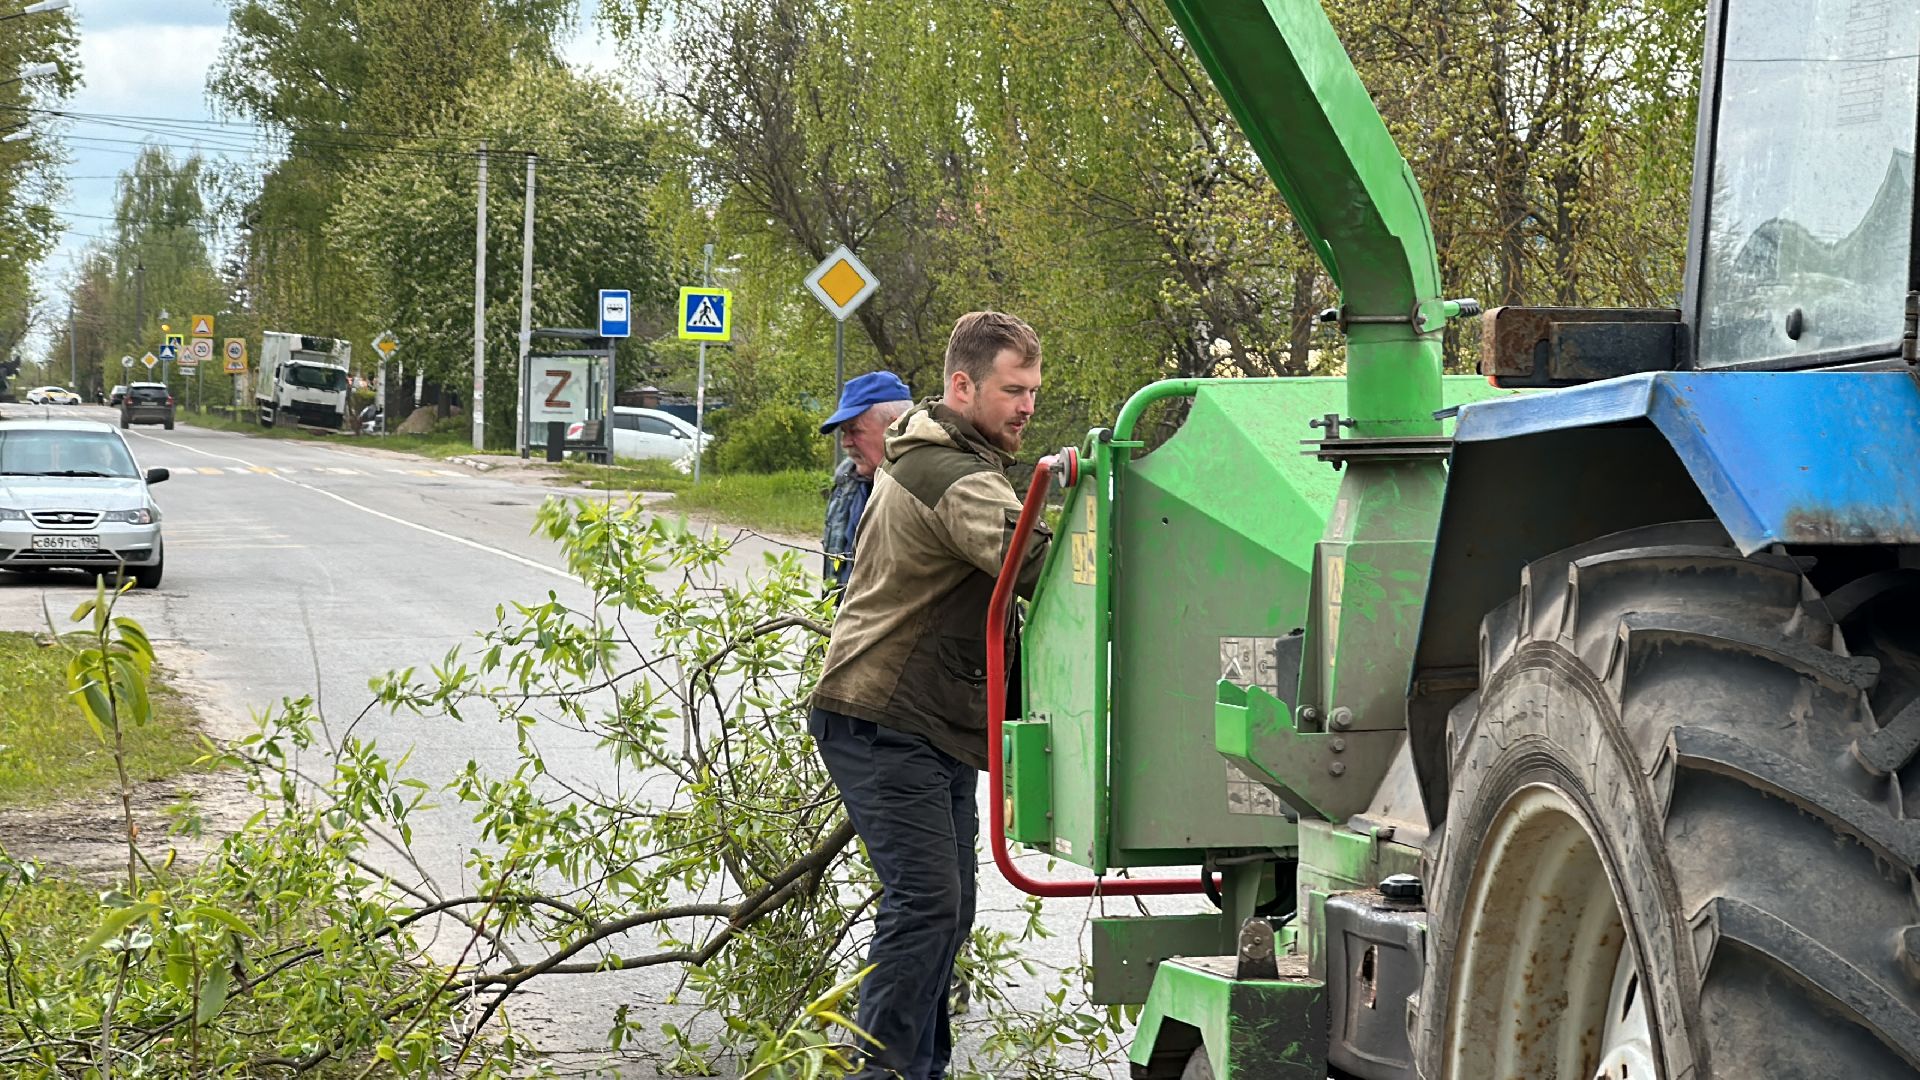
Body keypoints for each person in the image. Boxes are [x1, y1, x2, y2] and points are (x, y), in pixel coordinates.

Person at [810, 311, 1051, 1079]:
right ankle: (881, 1072)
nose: (1026, 407)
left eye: (1034, 392)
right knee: (926, 905)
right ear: (962, 385)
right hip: (883, 715)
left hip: (925, 722)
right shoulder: (949, 474)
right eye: (1013, 390)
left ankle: (921, 1069)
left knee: (950, 910)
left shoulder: (948, 455)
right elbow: (1035, 562)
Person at [819, 371, 914, 589]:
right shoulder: (846, 480)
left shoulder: (928, 484)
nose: (846, 443)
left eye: (854, 430)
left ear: (895, 426)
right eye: (843, 432)